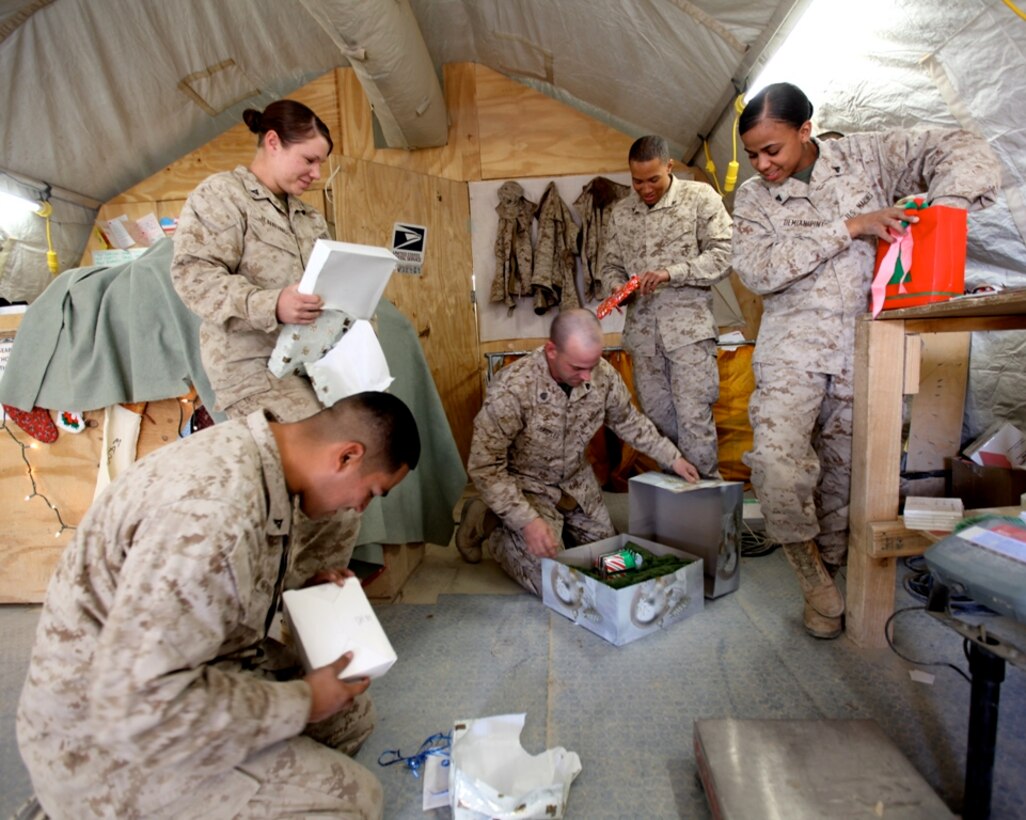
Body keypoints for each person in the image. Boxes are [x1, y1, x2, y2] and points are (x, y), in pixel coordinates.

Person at [17, 391, 420, 818]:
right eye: (372, 491)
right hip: (102, 740)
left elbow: (220, 596)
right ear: (347, 457)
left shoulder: (263, 455)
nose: (360, 506)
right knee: (353, 801)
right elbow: (137, 705)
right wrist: (301, 701)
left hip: (184, 671)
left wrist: (306, 588)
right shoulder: (213, 517)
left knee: (347, 715)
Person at [731, 82, 1001, 639]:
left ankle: (829, 571)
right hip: (791, 350)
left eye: (772, 150)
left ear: (806, 130)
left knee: (844, 479)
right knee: (778, 467)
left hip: (863, 349)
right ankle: (809, 574)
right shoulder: (754, 198)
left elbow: (962, 146)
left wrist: (944, 210)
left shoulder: (866, 157)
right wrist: (851, 226)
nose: (762, 164)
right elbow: (758, 271)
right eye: (752, 154)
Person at [171, 99, 360, 583]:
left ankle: (318, 599)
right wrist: (270, 303)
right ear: (273, 142)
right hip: (251, 368)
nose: (316, 173)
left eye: (321, 162)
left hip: (309, 368)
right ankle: (273, 605)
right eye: (309, 159)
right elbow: (192, 275)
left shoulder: (309, 218)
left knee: (350, 471)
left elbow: (324, 292)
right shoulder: (222, 197)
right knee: (318, 472)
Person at [456, 309, 700, 594]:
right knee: (556, 582)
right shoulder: (513, 390)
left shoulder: (602, 374)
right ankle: (487, 522)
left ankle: (558, 532)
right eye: (576, 368)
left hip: (576, 484)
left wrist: (673, 458)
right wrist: (527, 522)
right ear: (551, 350)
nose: (586, 376)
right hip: (527, 488)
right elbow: (485, 467)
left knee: (612, 564)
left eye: (592, 365)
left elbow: (627, 420)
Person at [601, 135, 733, 479]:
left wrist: (671, 274)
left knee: (694, 421)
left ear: (669, 166)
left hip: (688, 335)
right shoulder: (620, 212)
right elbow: (609, 265)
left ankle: (706, 515)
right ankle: (675, 512)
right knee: (658, 423)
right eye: (637, 180)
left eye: (653, 179)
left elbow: (725, 255)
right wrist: (617, 288)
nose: (644, 188)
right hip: (644, 339)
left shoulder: (700, 198)